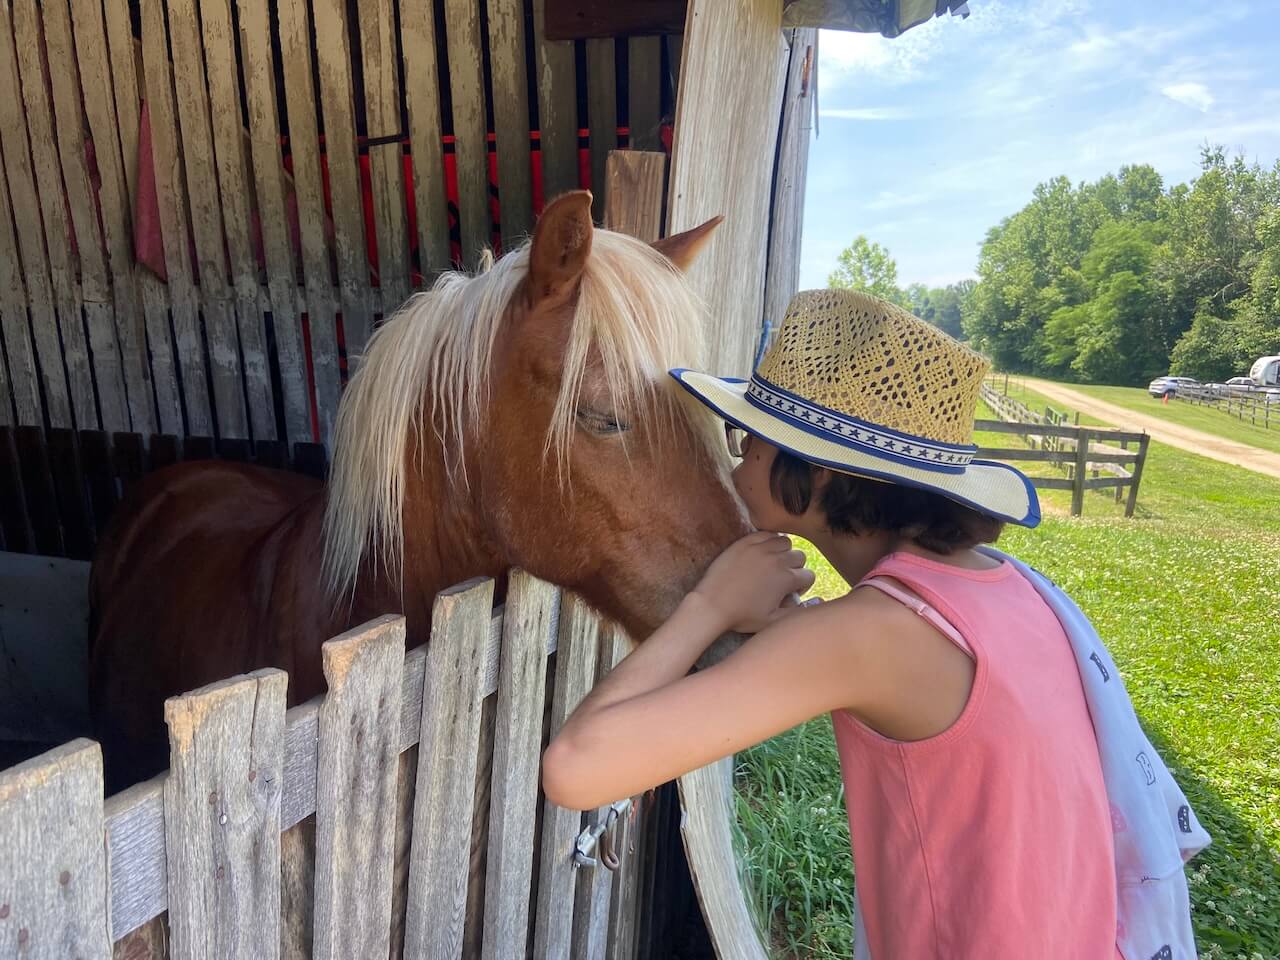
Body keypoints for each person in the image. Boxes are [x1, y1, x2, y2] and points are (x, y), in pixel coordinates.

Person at [541, 288, 1128, 958]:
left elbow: (575, 770)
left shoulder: (872, 633)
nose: (734, 468)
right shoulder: (1004, 587)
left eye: (749, 444)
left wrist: (710, 606)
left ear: (816, 471)